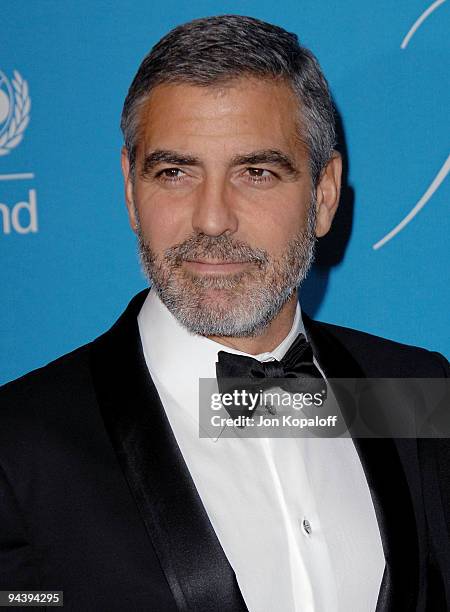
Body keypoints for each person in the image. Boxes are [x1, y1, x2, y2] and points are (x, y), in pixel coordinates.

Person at [0, 14, 449, 612]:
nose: (212, 219)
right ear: (132, 192)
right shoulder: (20, 444)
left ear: (323, 195)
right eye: (175, 173)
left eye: (256, 173)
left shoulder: (417, 393)